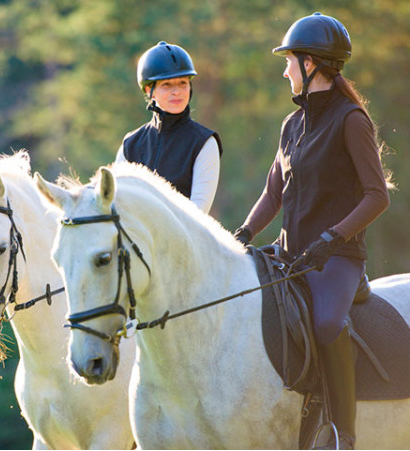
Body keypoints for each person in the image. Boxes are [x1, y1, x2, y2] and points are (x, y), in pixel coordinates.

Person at [234, 12, 391, 450]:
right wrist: (244, 233)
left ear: (313, 65)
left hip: (338, 259)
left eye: (290, 61)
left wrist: (332, 239)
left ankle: (344, 433)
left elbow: (378, 197)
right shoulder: (291, 125)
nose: (285, 69)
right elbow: (273, 195)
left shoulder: (351, 120)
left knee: (326, 324)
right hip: (291, 253)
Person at [115, 41, 223, 214]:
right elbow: (118, 205)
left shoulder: (204, 142)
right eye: (167, 85)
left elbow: (197, 214)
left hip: (184, 239)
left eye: (182, 83)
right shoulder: (130, 145)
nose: (177, 92)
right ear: (150, 89)